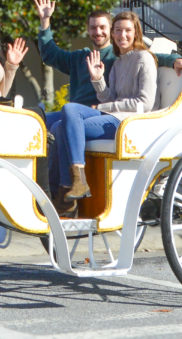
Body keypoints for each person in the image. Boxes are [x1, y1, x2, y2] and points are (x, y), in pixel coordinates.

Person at [33, 0, 182, 198]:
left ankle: (68, 187)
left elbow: (148, 57)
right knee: (38, 120)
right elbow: (50, 55)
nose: (98, 32)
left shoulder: (118, 55)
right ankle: (56, 192)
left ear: (109, 30)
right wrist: (45, 20)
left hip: (103, 115)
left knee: (65, 116)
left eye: (103, 27)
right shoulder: (86, 58)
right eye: (93, 27)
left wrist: (174, 59)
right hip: (83, 114)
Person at [52, 11, 159, 213]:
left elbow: (144, 103)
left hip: (129, 124)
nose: (122, 35)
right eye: (118, 30)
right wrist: (98, 79)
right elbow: (110, 98)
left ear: (136, 32)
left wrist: (103, 108)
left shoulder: (144, 58)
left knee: (66, 118)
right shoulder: (118, 63)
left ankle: (71, 185)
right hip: (113, 117)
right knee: (62, 120)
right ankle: (70, 186)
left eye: (128, 30)